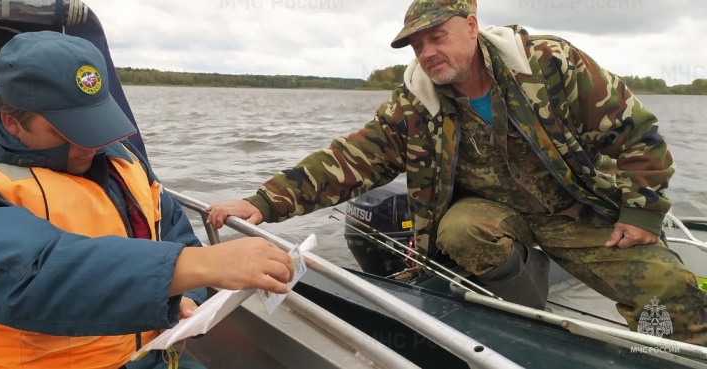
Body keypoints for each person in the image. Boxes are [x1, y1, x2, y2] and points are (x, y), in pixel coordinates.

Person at [207, 0, 707, 345]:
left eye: (436, 37)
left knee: (671, 292)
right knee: (462, 231)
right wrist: (262, 203)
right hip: (491, 219)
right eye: (417, 46)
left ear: (472, 24)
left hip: (577, 211)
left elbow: (637, 131)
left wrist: (642, 215)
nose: (427, 54)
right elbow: (349, 159)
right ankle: (520, 322)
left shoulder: (552, 64)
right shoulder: (414, 104)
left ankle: (657, 351)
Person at [0, 31, 294, 369]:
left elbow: (171, 228)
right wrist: (192, 265)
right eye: (69, 130)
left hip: (142, 355)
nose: (90, 144)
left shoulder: (120, 159)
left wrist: (185, 297)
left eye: (94, 124)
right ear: (12, 121)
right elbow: (28, 272)